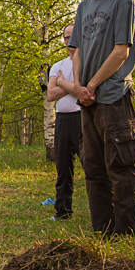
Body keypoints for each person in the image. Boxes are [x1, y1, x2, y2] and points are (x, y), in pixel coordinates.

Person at [68, 0, 135, 241]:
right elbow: (76, 51)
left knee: (121, 168)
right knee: (93, 168)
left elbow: (121, 51)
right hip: (87, 100)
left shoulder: (123, 2)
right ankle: (104, 233)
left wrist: (92, 86)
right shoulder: (84, 6)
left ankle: (131, 236)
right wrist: (79, 86)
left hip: (113, 96)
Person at [46, 23, 82, 221]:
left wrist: (61, 82)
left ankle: (104, 211)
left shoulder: (86, 62)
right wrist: (72, 85)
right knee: (63, 168)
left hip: (81, 118)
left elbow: (83, 89)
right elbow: (51, 95)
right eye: (66, 38)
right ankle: (62, 211)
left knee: (91, 165)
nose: (70, 41)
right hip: (62, 120)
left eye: (73, 36)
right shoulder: (58, 65)